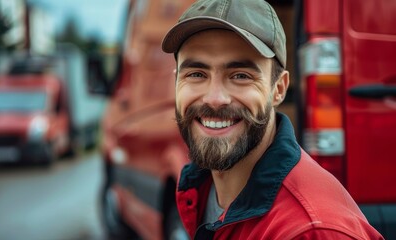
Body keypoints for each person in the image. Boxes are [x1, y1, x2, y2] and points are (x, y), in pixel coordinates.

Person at [161, 0, 383, 239]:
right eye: (196, 74)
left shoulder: (312, 231)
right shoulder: (202, 187)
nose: (215, 99)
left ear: (279, 89)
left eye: (240, 76)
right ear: (176, 82)